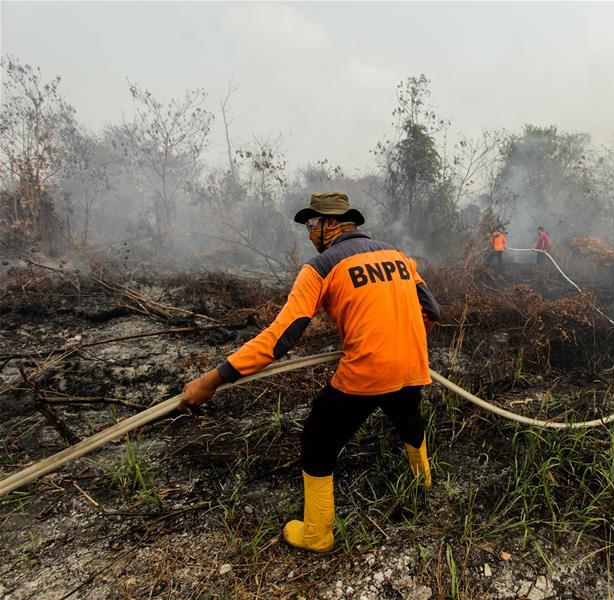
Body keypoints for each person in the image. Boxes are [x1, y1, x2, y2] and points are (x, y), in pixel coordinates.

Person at [180, 192, 440, 553]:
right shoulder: (399, 257)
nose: (308, 233)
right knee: (407, 416)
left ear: (331, 224)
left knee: (318, 440)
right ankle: (422, 484)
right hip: (413, 367)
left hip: (365, 375)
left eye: (311, 225)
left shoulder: (320, 268)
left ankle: (317, 533)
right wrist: (401, 341)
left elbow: (281, 338)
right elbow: (431, 308)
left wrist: (212, 380)